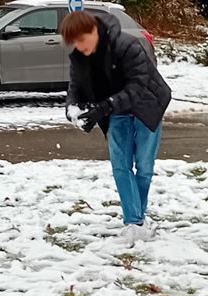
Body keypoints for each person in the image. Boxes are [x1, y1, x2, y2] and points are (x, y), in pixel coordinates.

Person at [60, 11, 171, 248]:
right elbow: (75, 88)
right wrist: (73, 109)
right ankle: (135, 221)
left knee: (144, 166)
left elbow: (138, 86)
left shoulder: (127, 45)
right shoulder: (79, 56)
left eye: (81, 40)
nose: (78, 47)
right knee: (120, 165)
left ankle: (137, 220)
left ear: (93, 32)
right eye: (74, 43)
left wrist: (104, 107)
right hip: (116, 110)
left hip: (147, 106)